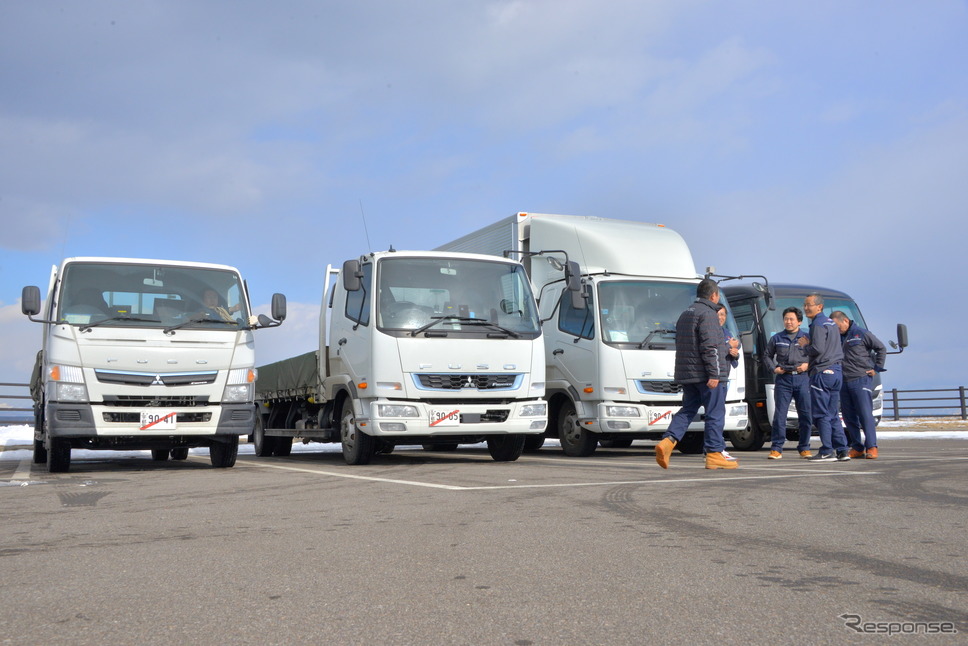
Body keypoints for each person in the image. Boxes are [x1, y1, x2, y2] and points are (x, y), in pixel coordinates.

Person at [655, 278, 737, 470]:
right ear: (714, 295)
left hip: (688, 374)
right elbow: (711, 347)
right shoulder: (708, 314)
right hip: (706, 375)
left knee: (688, 410)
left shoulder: (686, 313)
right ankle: (715, 453)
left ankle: (668, 441)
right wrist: (715, 373)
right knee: (715, 413)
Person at [799, 293, 850, 462]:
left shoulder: (818, 324)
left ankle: (827, 450)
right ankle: (842, 450)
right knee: (833, 413)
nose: (806, 308)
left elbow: (817, 349)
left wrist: (805, 347)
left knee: (821, 414)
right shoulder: (831, 323)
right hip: (836, 372)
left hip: (822, 372)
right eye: (805, 305)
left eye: (809, 305)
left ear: (819, 307)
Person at [831, 310, 887, 459]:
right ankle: (857, 447)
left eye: (837, 326)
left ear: (845, 321)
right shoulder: (836, 337)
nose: (836, 329)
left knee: (865, 414)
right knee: (848, 417)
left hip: (860, 378)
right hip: (843, 380)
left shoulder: (861, 333)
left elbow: (881, 348)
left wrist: (877, 368)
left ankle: (872, 446)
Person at [762, 307, 813, 459]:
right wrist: (774, 369)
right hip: (783, 379)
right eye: (786, 319)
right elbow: (766, 355)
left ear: (799, 321)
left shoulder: (807, 338)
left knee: (805, 415)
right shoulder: (777, 338)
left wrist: (808, 365)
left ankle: (804, 447)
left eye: (791, 319)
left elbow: (817, 355)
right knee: (780, 415)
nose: (788, 322)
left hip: (803, 379)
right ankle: (777, 448)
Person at [718, 304, 740, 461]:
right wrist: (728, 347)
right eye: (718, 314)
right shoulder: (710, 332)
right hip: (712, 378)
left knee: (719, 414)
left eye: (723, 315)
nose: (721, 317)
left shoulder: (727, 333)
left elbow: (733, 356)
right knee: (715, 415)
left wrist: (734, 353)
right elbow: (712, 350)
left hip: (724, 378)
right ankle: (716, 449)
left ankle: (717, 448)